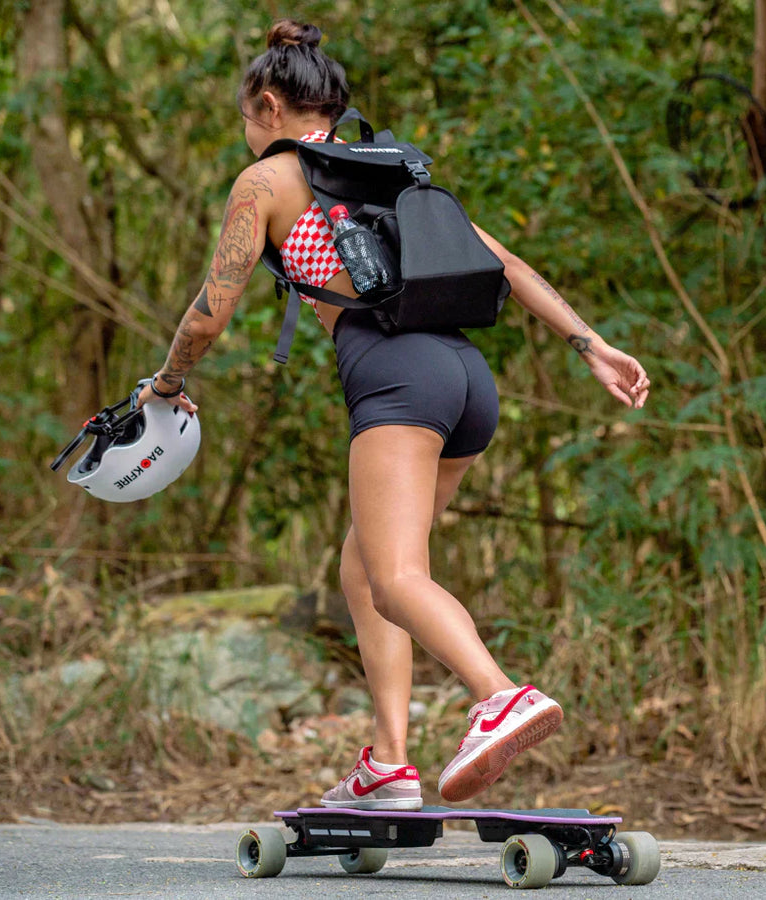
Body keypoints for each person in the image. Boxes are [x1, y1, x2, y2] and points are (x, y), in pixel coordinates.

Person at [138, 19, 650, 809]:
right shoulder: (389, 168)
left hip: (397, 380)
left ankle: (500, 696)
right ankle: (387, 764)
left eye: (246, 118)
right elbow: (503, 264)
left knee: (399, 577)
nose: (247, 133)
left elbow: (208, 316)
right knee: (364, 565)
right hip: (467, 382)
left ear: (269, 106)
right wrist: (593, 344)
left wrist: (166, 385)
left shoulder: (268, 180)